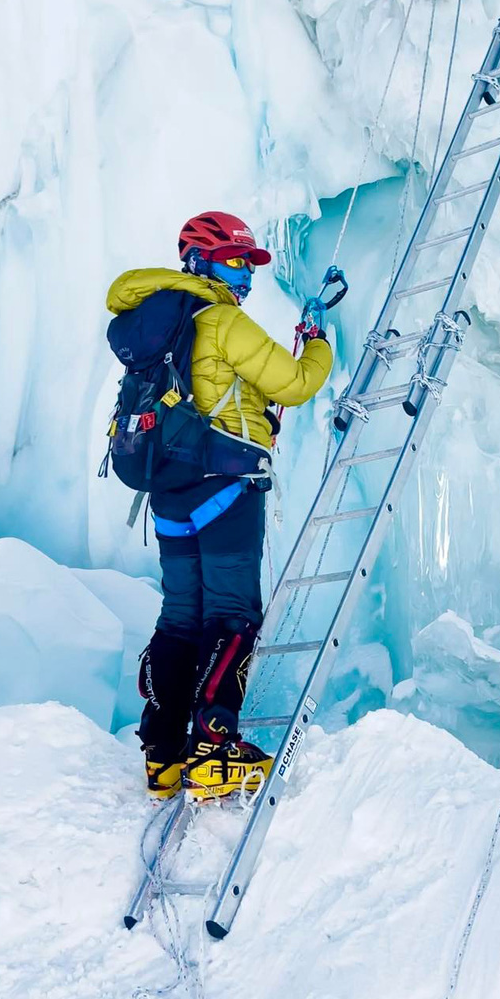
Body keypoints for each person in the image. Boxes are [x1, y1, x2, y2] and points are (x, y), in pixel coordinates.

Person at [106, 211, 332, 801]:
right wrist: (318, 344)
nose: (245, 277)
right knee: (232, 614)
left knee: (180, 616)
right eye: (235, 263)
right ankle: (213, 746)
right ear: (201, 262)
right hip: (226, 487)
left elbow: (210, 393)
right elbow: (296, 384)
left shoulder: (160, 323)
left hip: (169, 494)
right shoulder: (222, 321)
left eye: (248, 266)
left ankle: (163, 753)